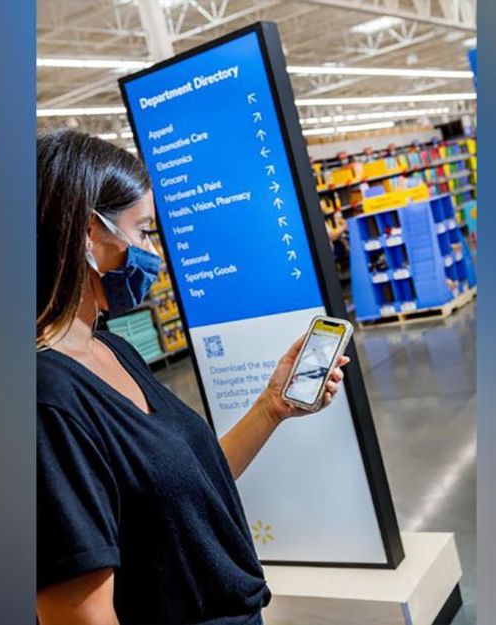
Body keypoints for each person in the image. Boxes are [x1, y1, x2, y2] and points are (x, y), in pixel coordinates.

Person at [36, 130, 351, 625]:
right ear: (86, 234)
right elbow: (81, 616)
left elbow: (186, 486)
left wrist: (272, 406)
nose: (149, 251)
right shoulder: (46, 399)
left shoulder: (111, 348)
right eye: (141, 231)